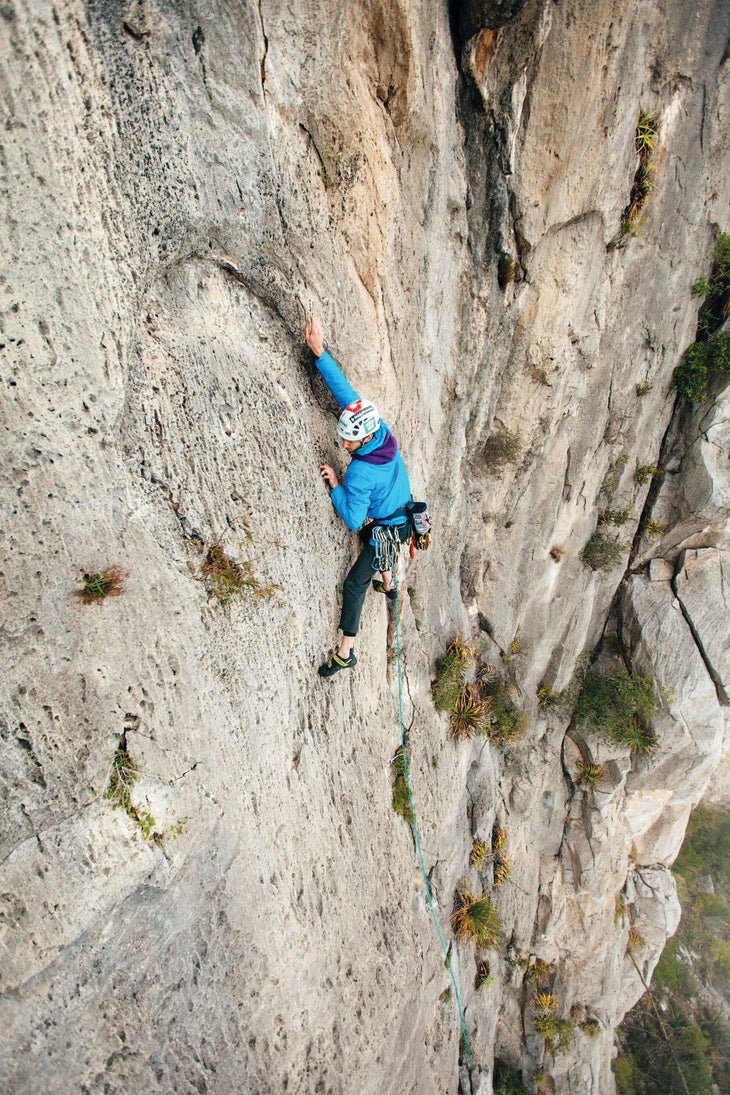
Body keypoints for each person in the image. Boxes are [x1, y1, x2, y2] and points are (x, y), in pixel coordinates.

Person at [304, 314, 412, 677]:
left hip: (391, 528)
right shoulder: (378, 429)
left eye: (346, 440)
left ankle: (345, 651)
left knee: (354, 582)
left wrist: (336, 486)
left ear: (362, 439)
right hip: (402, 513)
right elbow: (345, 394)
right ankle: (390, 582)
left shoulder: (362, 471)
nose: (343, 443)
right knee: (374, 536)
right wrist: (319, 351)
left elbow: (352, 518)